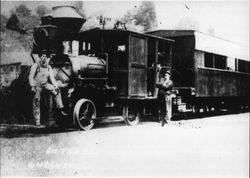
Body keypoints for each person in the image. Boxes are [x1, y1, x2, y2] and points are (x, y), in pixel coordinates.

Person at [28, 50, 67, 126]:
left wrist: (55, 86)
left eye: (46, 56)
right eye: (43, 56)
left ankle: (61, 107)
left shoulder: (48, 67)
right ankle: (37, 121)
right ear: (40, 57)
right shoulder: (35, 65)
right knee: (36, 102)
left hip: (45, 84)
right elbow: (31, 76)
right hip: (37, 85)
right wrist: (32, 86)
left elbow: (52, 78)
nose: (44, 58)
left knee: (57, 91)